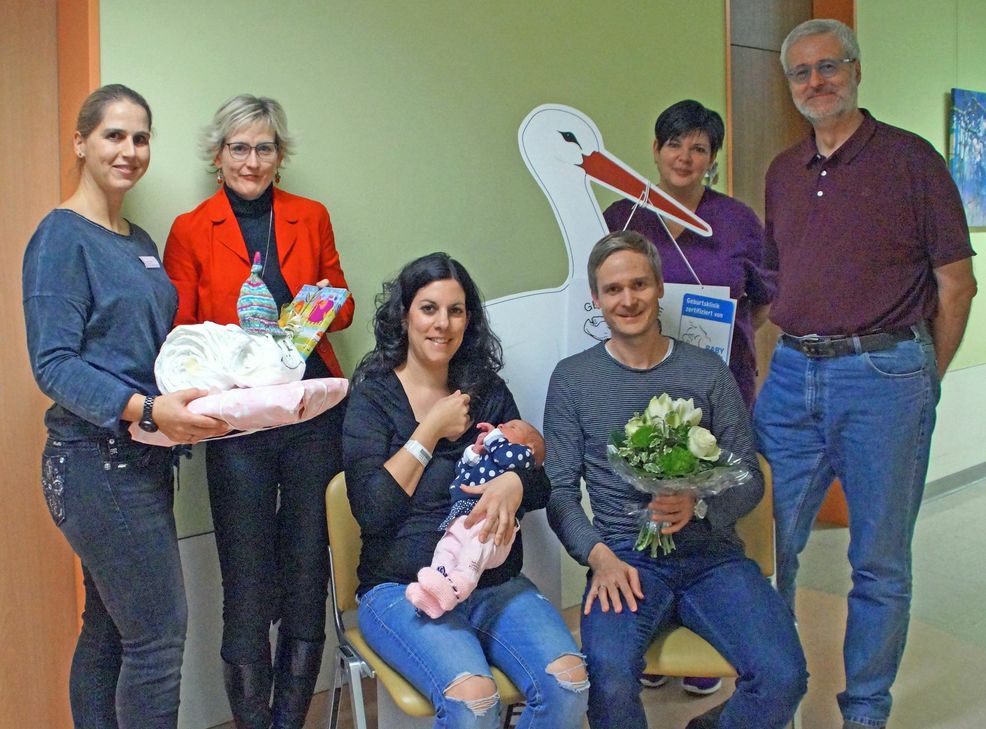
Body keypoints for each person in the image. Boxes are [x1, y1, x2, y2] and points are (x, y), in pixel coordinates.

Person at [754, 19, 977, 729]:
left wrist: (923, 377)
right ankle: (771, 696)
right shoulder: (783, 172)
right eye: (801, 73)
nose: (815, 82)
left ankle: (866, 712)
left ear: (855, 70)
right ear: (789, 86)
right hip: (792, 374)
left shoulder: (912, 160)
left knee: (878, 561)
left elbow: (957, 285)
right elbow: (781, 280)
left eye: (829, 66)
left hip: (885, 374)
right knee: (762, 546)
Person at [22, 84, 230, 729]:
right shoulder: (61, 237)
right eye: (114, 135)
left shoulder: (136, 239)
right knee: (158, 640)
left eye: (141, 138)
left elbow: (142, 345)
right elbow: (54, 364)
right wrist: (146, 410)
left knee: (111, 629)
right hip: (96, 464)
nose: (130, 150)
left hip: (141, 461)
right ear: (80, 143)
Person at [545, 231, 806, 729]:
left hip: (713, 558)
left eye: (639, 284)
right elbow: (558, 491)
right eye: (614, 289)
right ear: (596, 298)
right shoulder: (573, 379)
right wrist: (598, 558)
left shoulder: (707, 371)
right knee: (608, 678)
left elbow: (749, 477)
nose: (628, 299)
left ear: (660, 286)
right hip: (624, 560)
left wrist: (699, 505)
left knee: (783, 675)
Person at [163, 94, 355, 729]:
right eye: (239, 148)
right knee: (245, 579)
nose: (252, 161)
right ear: (218, 156)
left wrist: (314, 307)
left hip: (309, 412)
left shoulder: (310, 215)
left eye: (264, 148)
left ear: (280, 155)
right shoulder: (192, 228)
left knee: (306, 567)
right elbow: (182, 331)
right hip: (236, 421)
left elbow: (344, 303)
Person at [343, 252, 588, 728]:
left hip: (494, 585)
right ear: (404, 316)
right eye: (429, 308)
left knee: (569, 683)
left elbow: (539, 480)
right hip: (403, 587)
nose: (443, 323)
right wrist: (430, 430)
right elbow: (372, 511)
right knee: (475, 702)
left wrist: (515, 482)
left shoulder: (487, 391)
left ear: (468, 320)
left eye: (455, 311)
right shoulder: (373, 397)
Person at [603, 99, 774, 412]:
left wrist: (722, 332)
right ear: (656, 150)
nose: (684, 158)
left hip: (722, 381)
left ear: (711, 159)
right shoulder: (621, 219)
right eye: (674, 144)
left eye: (698, 149)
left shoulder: (739, 221)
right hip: (637, 379)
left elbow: (764, 301)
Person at [406, 418, 545, 618]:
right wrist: (473, 453)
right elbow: (462, 471)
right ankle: (434, 593)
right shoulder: (489, 457)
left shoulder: (521, 456)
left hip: (492, 523)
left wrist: (494, 438)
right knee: (446, 548)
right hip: (462, 518)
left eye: (512, 427)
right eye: (502, 426)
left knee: (476, 547)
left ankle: (460, 583)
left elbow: (511, 459)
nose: (502, 426)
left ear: (530, 448)